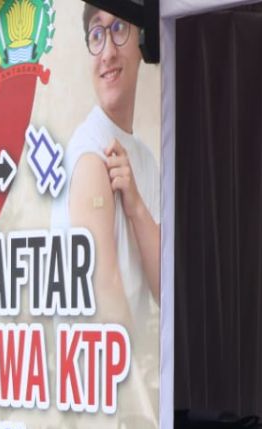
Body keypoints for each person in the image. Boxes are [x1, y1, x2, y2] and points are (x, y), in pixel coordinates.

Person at [53, 4, 160, 327]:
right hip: (100, 369)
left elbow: (163, 288)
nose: (108, 52)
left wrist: (136, 207)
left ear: (141, 41)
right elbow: (105, 299)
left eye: (119, 29)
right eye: (96, 34)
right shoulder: (90, 154)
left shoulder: (143, 158)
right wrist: (138, 375)